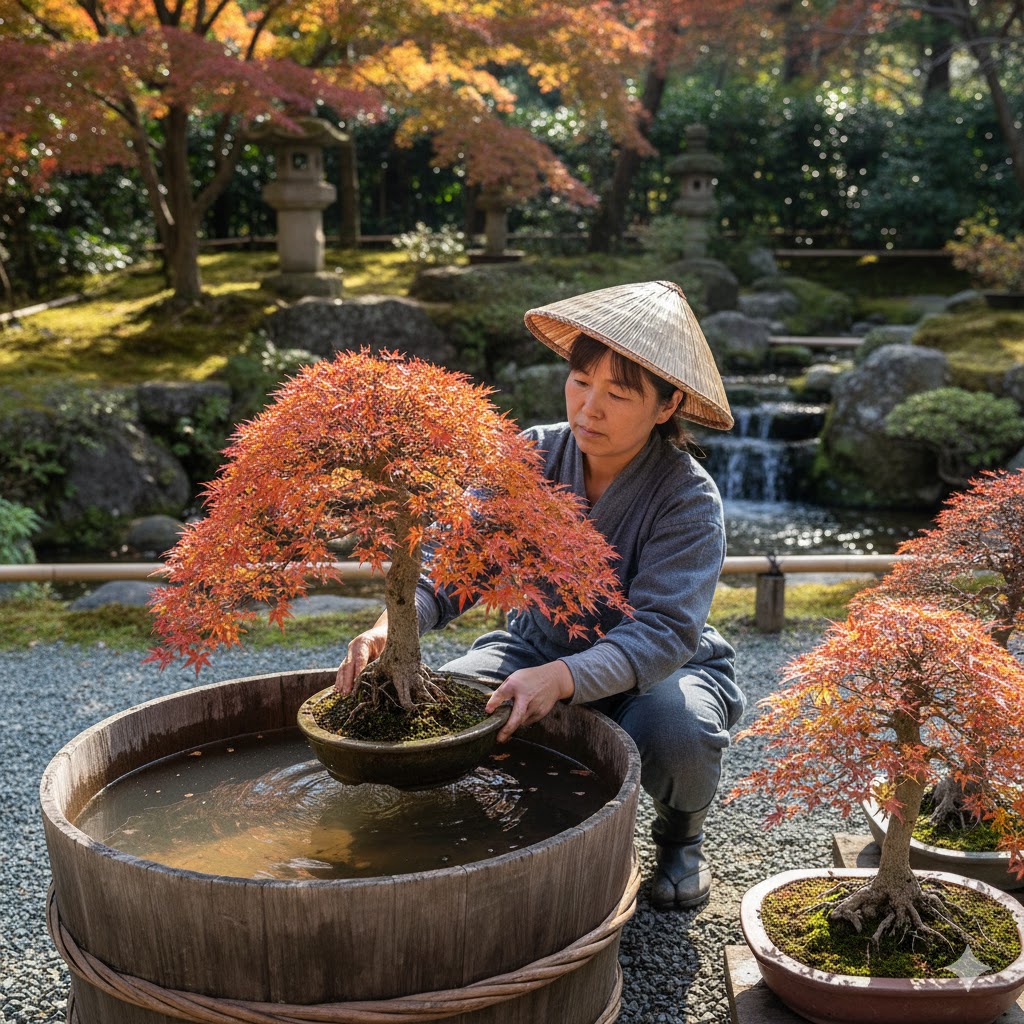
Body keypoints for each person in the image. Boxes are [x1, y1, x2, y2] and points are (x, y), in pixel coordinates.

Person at [335, 279, 744, 911]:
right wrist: (394, 626)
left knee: (678, 730)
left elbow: (665, 629)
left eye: (618, 394)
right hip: (535, 646)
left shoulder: (688, 497)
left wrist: (563, 678)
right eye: (580, 382)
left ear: (668, 406)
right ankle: (507, 825)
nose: (589, 409)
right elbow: (456, 561)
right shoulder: (531, 454)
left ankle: (680, 838)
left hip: (662, 669)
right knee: (456, 705)